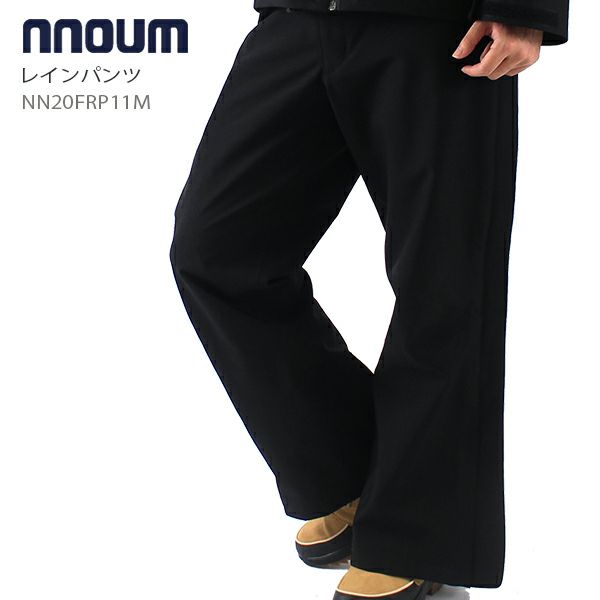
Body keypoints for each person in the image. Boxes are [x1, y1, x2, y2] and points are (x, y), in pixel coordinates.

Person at [169, 0, 569, 597]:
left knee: (442, 286)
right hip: (299, 15)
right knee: (216, 251)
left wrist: (523, 6)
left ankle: (417, 538)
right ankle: (355, 478)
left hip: (445, 26)